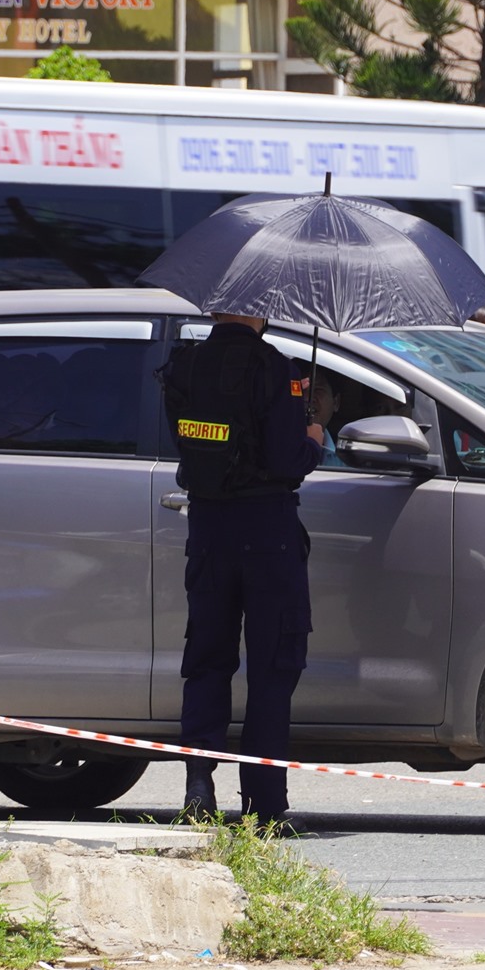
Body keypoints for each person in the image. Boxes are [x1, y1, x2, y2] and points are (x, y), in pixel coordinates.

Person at [161, 313, 325, 825]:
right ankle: (264, 805)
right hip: (267, 532)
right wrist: (315, 435)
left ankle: (198, 783)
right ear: (257, 311)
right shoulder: (274, 368)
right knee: (274, 666)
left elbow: (190, 446)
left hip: (208, 530)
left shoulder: (184, 366)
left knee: (208, 657)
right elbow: (286, 459)